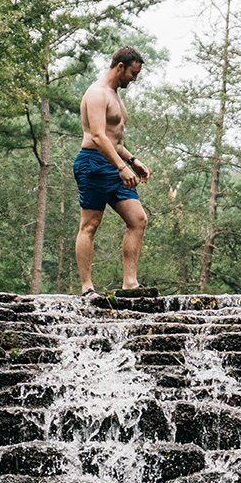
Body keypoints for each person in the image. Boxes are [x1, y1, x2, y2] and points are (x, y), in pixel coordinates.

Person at [73, 46, 151, 296]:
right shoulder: (97, 94)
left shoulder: (115, 95)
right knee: (90, 224)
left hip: (113, 162)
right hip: (93, 164)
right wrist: (121, 167)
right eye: (133, 73)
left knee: (138, 219)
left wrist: (133, 160)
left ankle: (130, 283)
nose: (134, 79)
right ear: (120, 67)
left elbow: (114, 140)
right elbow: (97, 135)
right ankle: (87, 287)